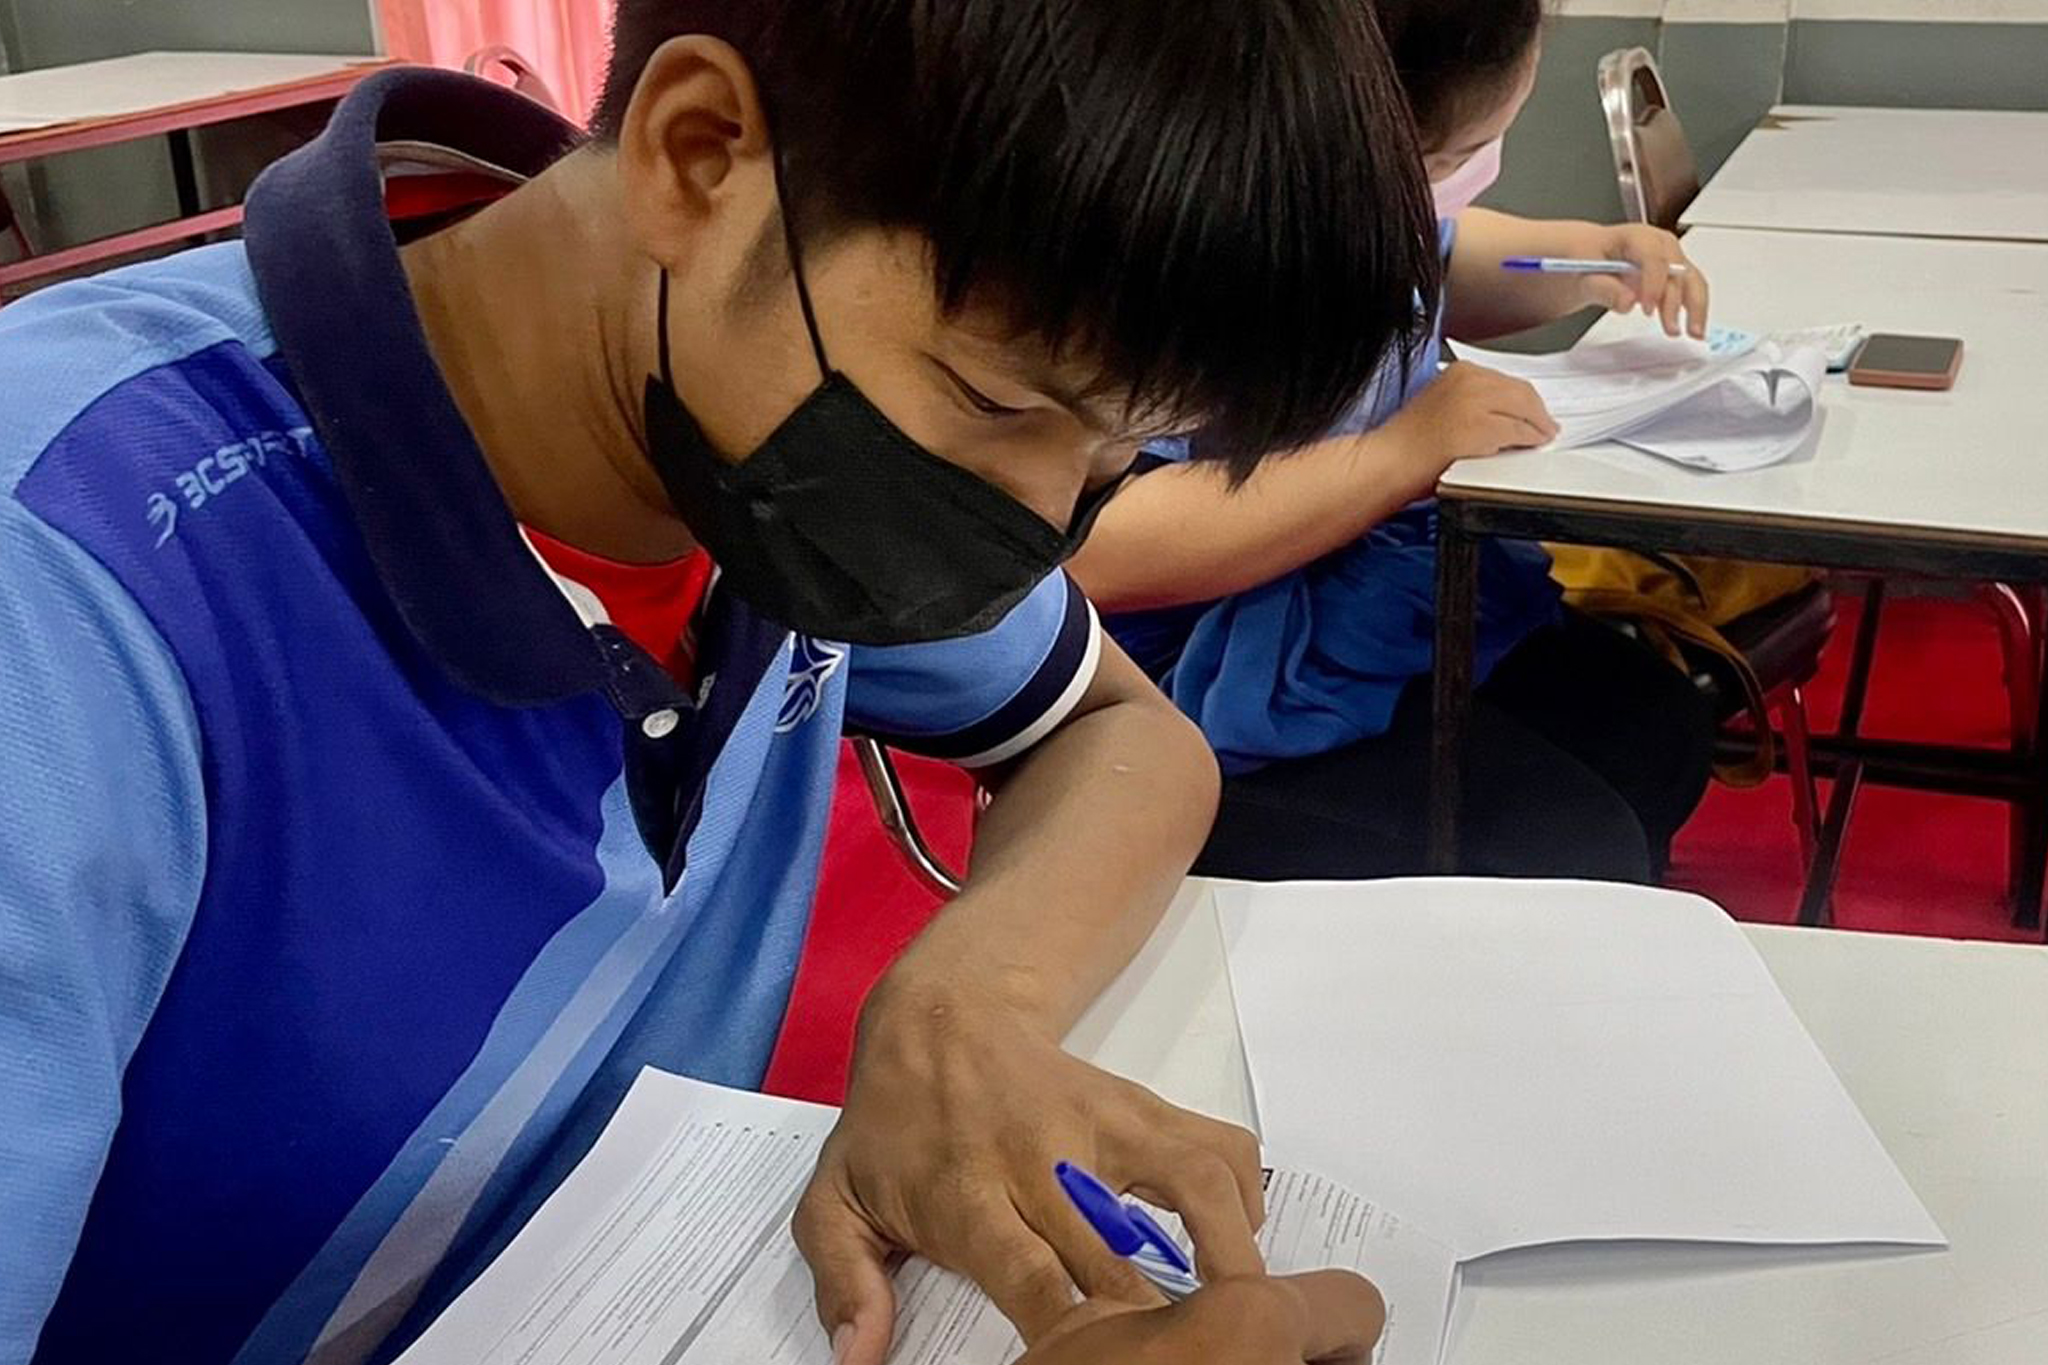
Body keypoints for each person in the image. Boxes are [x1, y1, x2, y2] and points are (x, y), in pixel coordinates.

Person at [0, 3, 1435, 1362]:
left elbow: (1123, 733)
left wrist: (963, 1015)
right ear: (698, 156)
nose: (1043, 523)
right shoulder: (75, 589)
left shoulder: (748, 424)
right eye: (1004, 402)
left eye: (1128, 448)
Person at [1073, 0, 1720, 886]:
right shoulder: (1181, 254)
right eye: (1451, 160)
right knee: (1569, 843)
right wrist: (1398, 454)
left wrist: (1587, 259)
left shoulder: (1350, 192)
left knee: (1658, 727)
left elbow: (1445, 257)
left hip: (1372, 598)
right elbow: (1102, 548)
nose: (1471, 177)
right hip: (1202, 679)